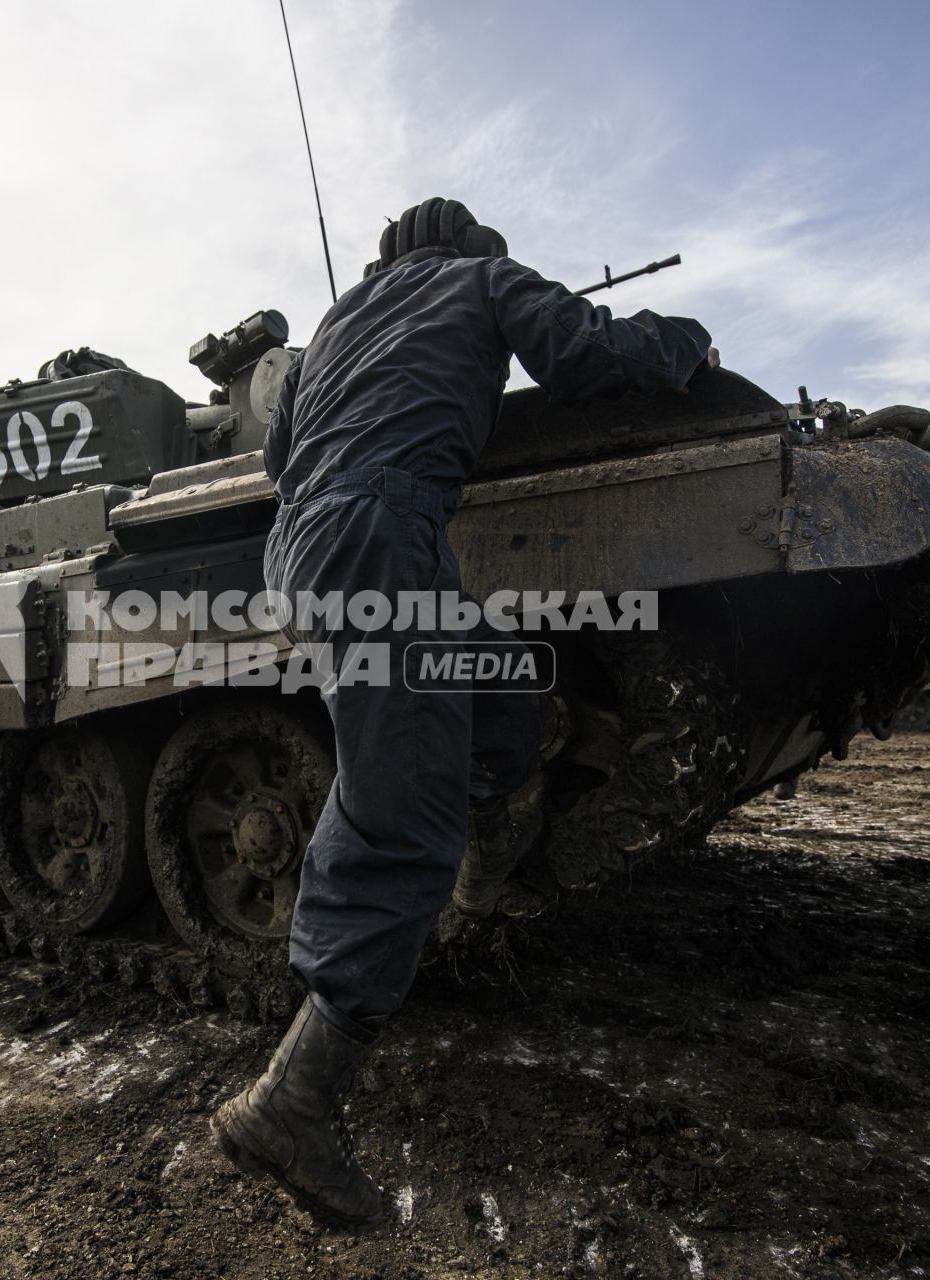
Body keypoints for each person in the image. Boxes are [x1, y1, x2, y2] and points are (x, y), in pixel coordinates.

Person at [211, 197, 716, 1226]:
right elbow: (586, 350)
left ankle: (481, 883)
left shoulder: (328, 334)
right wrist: (688, 342)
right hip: (386, 539)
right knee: (401, 816)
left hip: (309, 548)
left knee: (502, 691)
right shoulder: (482, 281)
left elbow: (277, 463)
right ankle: (291, 1104)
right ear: (467, 245)